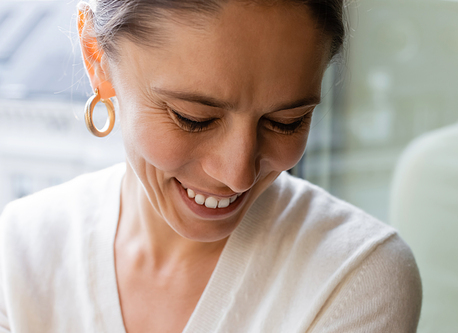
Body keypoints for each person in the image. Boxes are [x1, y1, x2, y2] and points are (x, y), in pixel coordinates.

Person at [0, 0, 422, 332]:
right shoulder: (20, 250)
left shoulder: (353, 274)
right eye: (193, 117)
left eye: (286, 122)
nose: (236, 174)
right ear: (96, 59)